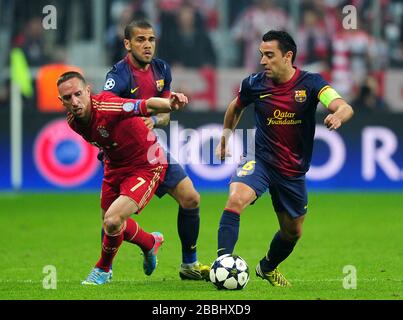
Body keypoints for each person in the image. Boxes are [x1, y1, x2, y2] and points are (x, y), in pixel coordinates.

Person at [215, 30, 354, 287]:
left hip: (292, 169)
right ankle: (222, 263)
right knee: (236, 199)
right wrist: (225, 138)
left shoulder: (311, 84)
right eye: (261, 55)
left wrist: (338, 116)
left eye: (269, 55)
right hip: (260, 159)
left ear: (288, 56)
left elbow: (343, 105)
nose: (263, 61)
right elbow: (236, 106)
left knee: (293, 231)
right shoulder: (254, 84)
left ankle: (267, 267)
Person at [101, 19, 210, 280]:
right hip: (122, 155)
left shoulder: (162, 70)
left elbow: (164, 115)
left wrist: (155, 118)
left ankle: (188, 265)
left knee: (191, 198)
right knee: (111, 217)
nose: (147, 45)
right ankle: (108, 266)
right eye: (140, 40)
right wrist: (137, 117)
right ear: (127, 44)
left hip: (152, 151)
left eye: (151, 39)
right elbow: (107, 109)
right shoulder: (118, 76)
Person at [57, 71, 188, 285]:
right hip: (114, 166)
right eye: (67, 98)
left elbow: (143, 105)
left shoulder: (108, 106)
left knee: (112, 220)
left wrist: (169, 105)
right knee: (111, 224)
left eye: (78, 94)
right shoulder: (73, 120)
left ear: (88, 90)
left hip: (146, 163)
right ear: (60, 101)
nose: (74, 101)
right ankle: (150, 242)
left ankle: (102, 269)